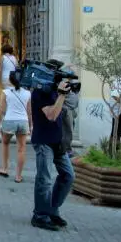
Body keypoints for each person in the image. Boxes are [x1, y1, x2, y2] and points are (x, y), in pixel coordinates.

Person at [30, 81, 75, 232]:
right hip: (44, 141)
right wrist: (62, 95)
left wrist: (64, 93)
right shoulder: (40, 92)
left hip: (58, 142)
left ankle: (52, 210)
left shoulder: (55, 91)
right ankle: (40, 216)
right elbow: (52, 115)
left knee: (68, 175)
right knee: (45, 179)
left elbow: (71, 105)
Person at [0, 71, 31, 183]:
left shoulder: (5, 92)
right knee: (21, 149)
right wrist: (30, 126)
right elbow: (29, 112)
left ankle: (5, 169)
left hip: (9, 120)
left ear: (11, 80)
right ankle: (18, 176)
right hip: (23, 121)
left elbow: (1, 109)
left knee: (5, 144)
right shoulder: (28, 93)